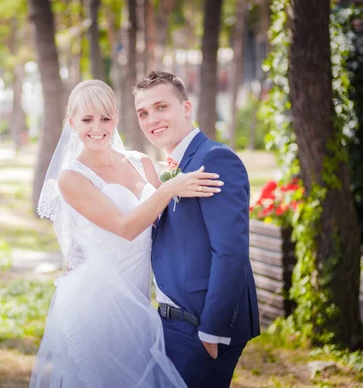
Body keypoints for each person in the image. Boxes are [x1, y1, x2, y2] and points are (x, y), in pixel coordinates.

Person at [31, 79, 222, 388]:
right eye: (87, 119)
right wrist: (171, 186)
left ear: (116, 117)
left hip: (140, 297)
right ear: (71, 122)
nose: (98, 127)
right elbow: (126, 227)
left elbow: (166, 226)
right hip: (98, 301)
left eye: (105, 118)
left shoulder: (142, 162)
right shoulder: (71, 178)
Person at [133, 71, 260, 387]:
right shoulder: (175, 165)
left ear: (186, 108)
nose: (152, 119)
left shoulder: (214, 159)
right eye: (143, 113)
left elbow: (229, 251)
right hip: (172, 325)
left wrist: (212, 331)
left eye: (162, 107)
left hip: (201, 327)